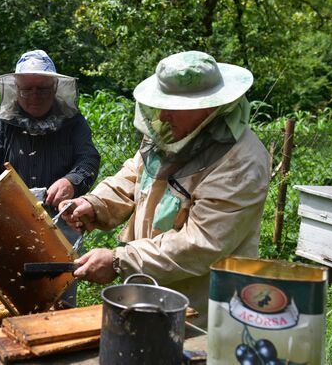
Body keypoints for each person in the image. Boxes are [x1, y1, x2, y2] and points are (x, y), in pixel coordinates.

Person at [61, 51, 270, 328]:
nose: (162, 115)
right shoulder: (174, 132)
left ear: (210, 107)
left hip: (202, 306)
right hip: (150, 285)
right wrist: (97, 203)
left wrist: (119, 260)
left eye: (174, 107)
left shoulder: (241, 161)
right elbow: (136, 176)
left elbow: (203, 243)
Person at [0, 50, 100, 306]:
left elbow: (88, 159)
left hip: (59, 220)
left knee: (59, 295)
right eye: (27, 89)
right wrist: (7, 192)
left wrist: (72, 181)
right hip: (10, 219)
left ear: (54, 87)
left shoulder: (73, 123)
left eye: (42, 89)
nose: (34, 96)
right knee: (9, 294)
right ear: (15, 88)